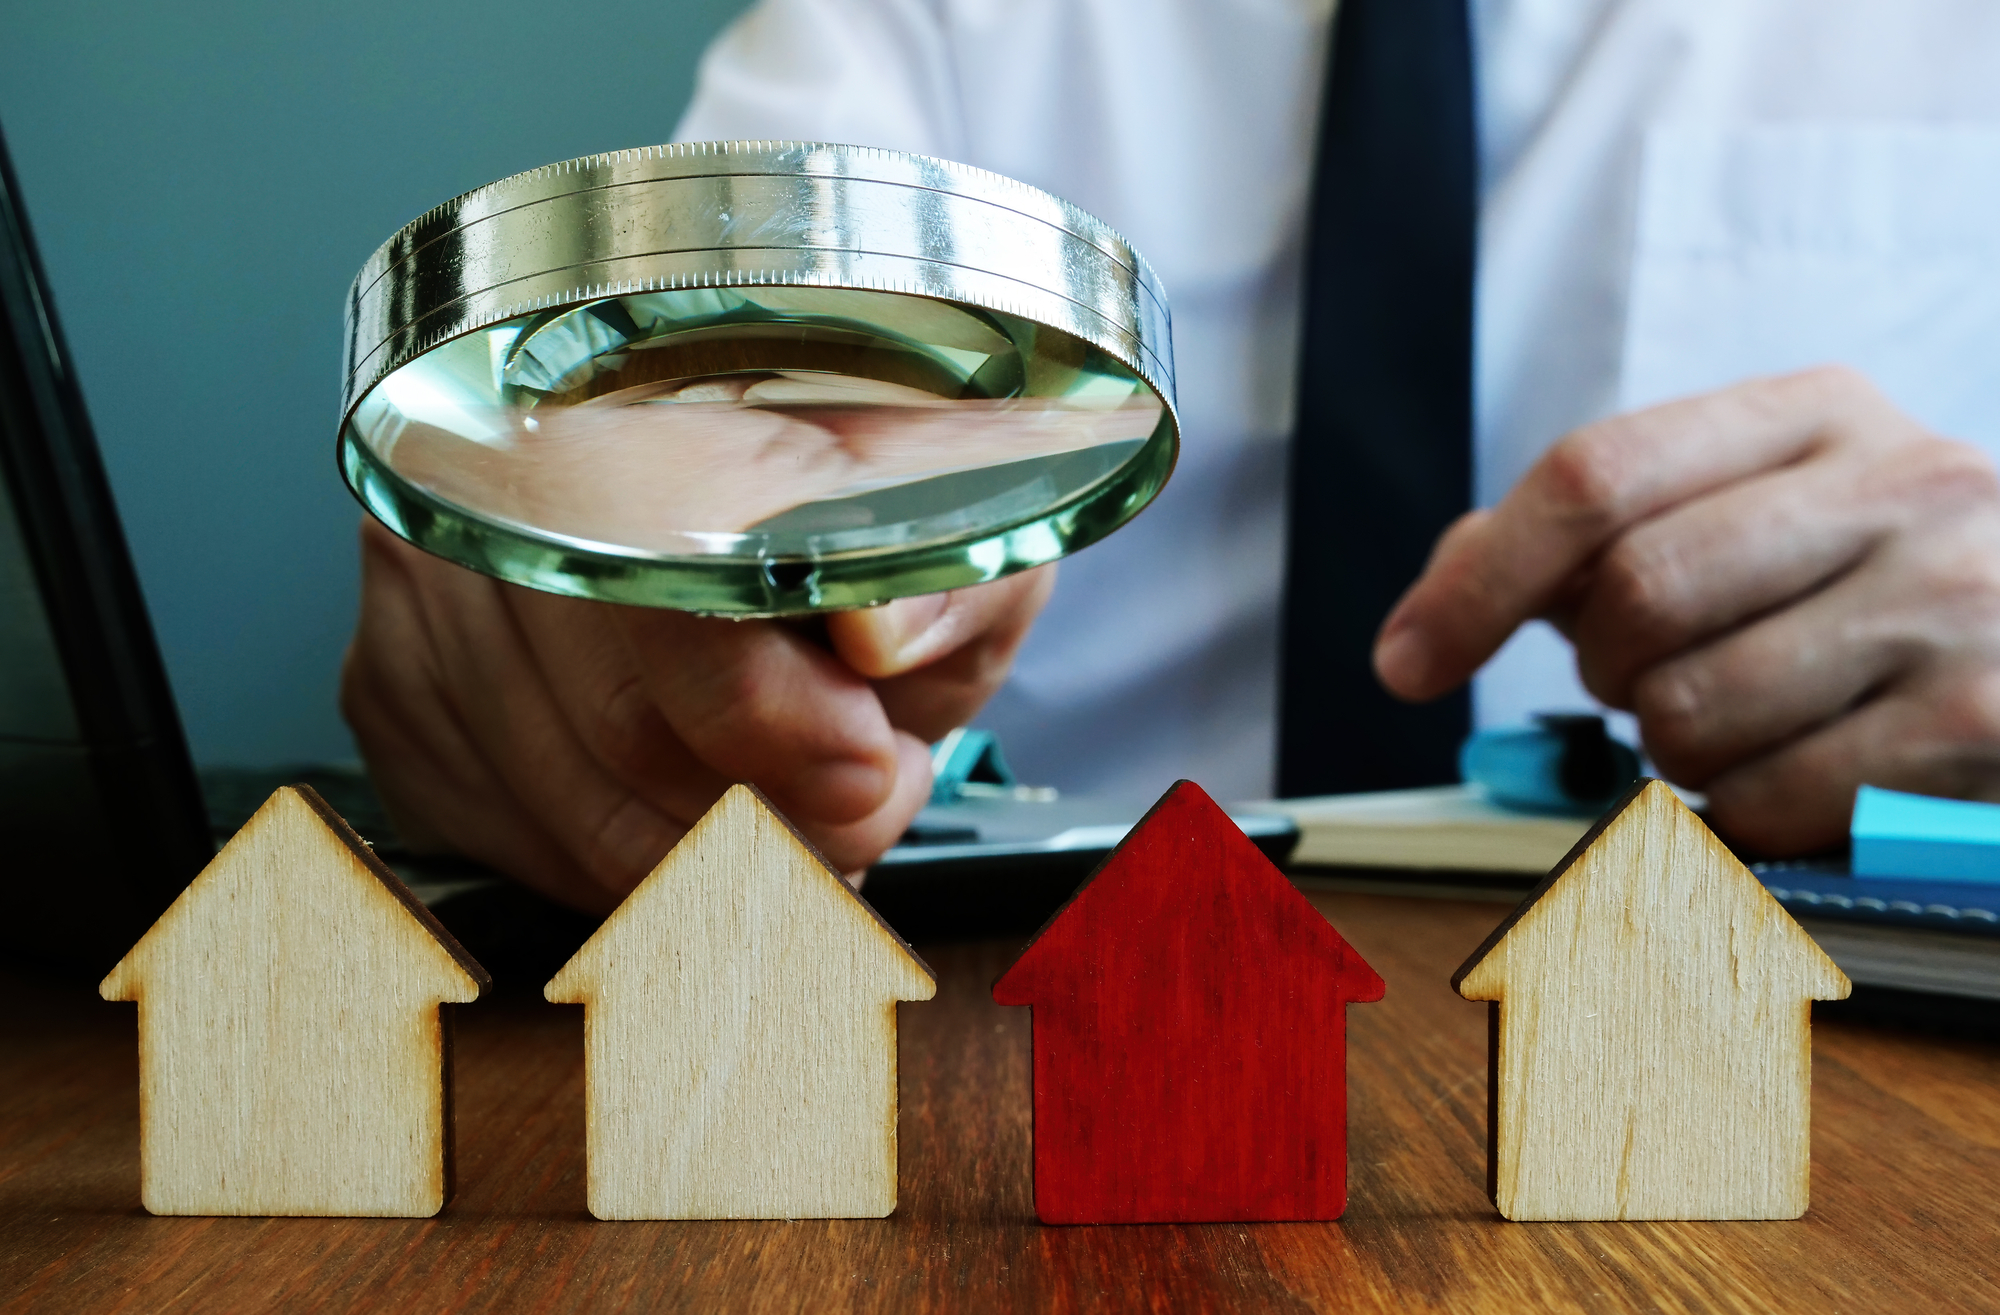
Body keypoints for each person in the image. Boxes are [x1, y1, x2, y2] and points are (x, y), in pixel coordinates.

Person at [342, 0, 2000, 914]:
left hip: (1798, 990)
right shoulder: (915, 26)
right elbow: (653, 392)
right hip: (1018, 999)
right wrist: (591, 573)